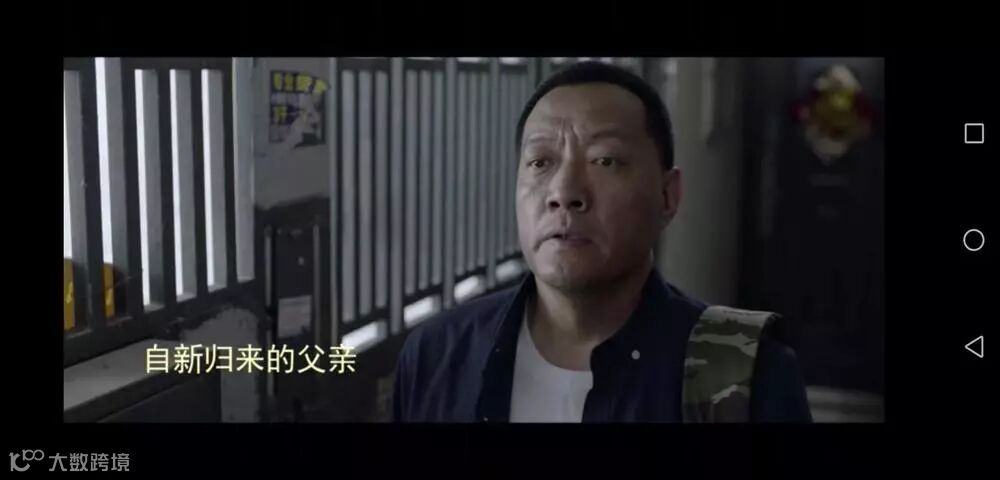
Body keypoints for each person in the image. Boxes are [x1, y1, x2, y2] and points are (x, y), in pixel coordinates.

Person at [392, 60, 812, 422]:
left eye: (605, 160)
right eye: (540, 162)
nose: (563, 192)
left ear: (668, 195)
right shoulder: (437, 355)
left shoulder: (744, 371)